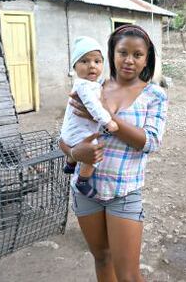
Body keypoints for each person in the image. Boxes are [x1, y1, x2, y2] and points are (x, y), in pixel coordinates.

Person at [60, 24, 168, 281]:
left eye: (137, 55)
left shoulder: (154, 95)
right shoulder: (91, 88)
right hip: (86, 192)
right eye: (122, 52)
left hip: (124, 192)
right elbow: (63, 137)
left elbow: (151, 142)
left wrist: (107, 117)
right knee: (102, 258)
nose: (129, 60)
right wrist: (76, 153)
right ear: (113, 54)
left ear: (146, 59)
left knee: (129, 275)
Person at [60, 36, 119, 198]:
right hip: (78, 132)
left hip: (70, 131)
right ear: (74, 67)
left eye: (97, 61)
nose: (91, 66)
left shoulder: (91, 84)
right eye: (84, 61)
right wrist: (108, 122)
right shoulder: (83, 85)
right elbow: (94, 107)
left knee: (79, 143)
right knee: (94, 154)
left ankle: (70, 165)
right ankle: (83, 181)